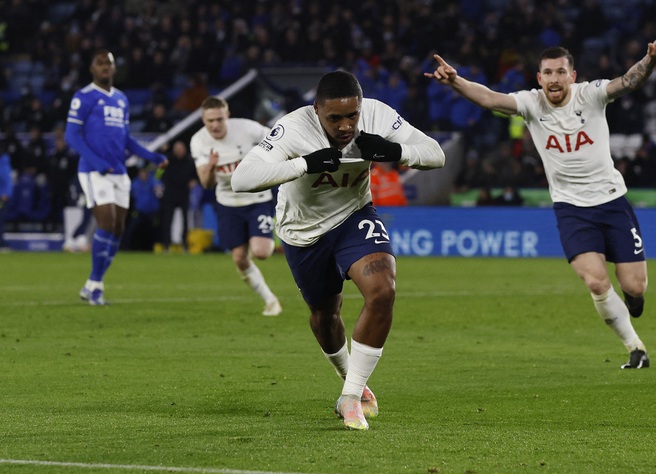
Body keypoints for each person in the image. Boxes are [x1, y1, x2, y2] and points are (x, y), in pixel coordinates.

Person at [426, 30, 656, 369]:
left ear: (572, 76)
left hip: (612, 201)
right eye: (548, 73)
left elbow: (627, 82)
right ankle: (635, 348)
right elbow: (489, 98)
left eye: (561, 72)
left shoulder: (590, 95)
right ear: (539, 77)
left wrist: (650, 60)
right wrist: (456, 81)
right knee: (596, 280)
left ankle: (633, 300)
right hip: (572, 209)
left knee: (635, 285)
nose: (554, 79)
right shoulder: (532, 103)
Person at [231, 70, 445, 430]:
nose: (346, 126)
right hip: (303, 232)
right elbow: (242, 179)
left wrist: (395, 151)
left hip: (353, 216)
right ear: (316, 110)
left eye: (353, 115)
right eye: (335, 118)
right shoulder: (293, 128)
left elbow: (434, 154)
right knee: (326, 316)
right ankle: (349, 378)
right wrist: (305, 164)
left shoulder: (377, 113)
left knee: (383, 289)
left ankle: (350, 396)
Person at [65, 49, 168, 305]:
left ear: (114, 69)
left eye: (108, 63)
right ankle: (97, 288)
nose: (104, 67)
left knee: (118, 228)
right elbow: (72, 136)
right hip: (93, 171)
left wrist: (152, 156)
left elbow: (126, 139)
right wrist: (97, 163)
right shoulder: (84, 97)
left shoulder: (121, 99)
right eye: (99, 63)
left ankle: (91, 283)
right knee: (107, 222)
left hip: (119, 172)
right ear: (92, 68)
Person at [190, 96, 281, 317]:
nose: (215, 125)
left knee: (262, 252)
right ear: (203, 119)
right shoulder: (199, 141)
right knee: (240, 258)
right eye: (210, 120)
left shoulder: (248, 129)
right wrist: (211, 167)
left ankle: (262, 233)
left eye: (219, 119)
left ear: (227, 116)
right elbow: (206, 183)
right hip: (228, 202)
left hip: (257, 197)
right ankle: (270, 301)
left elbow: (279, 139)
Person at [159, 140, 199, 253]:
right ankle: (166, 245)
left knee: (185, 221)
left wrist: (194, 181)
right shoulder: (168, 160)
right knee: (167, 220)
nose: (179, 151)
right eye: (177, 149)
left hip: (184, 193)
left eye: (181, 149)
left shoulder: (190, 161)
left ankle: (185, 245)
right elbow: (158, 173)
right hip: (170, 194)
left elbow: (196, 176)